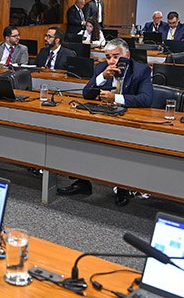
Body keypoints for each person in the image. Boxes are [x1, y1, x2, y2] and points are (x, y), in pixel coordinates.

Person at [57, 38, 152, 197]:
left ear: (127, 55)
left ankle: (123, 187)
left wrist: (116, 98)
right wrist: (102, 77)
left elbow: (146, 99)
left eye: (116, 56)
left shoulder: (141, 70)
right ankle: (82, 181)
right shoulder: (101, 68)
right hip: (104, 116)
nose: (112, 61)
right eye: (108, 57)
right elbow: (87, 93)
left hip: (127, 120)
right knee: (81, 136)